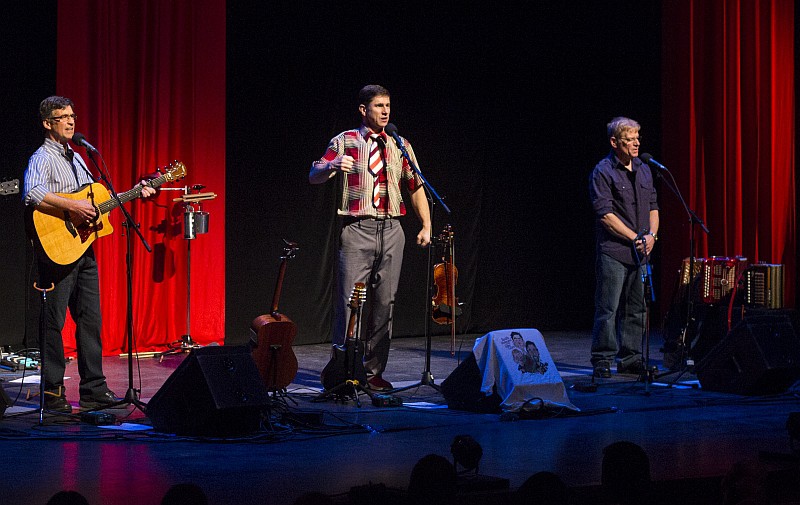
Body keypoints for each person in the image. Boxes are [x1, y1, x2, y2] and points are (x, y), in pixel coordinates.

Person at [22, 96, 156, 413]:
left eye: (72, 116)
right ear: (47, 123)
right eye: (63, 117)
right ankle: (53, 394)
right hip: (56, 252)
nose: (71, 121)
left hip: (84, 250)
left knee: (90, 321)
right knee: (53, 323)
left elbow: (94, 203)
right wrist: (74, 206)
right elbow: (32, 192)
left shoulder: (79, 158)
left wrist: (135, 192)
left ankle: (94, 390)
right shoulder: (42, 157)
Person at [310, 85, 431, 391]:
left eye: (388, 105)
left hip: (392, 230)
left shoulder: (400, 144)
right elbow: (314, 174)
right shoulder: (345, 141)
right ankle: (344, 370)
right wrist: (331, 165)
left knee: (385, 304)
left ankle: (373, 371)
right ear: (364, 110)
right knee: (349, 304)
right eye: (379, 106)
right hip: (357, 229)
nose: (385, 111)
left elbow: (415, 185)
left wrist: (426, 225)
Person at [588, 117, 659, 379]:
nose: (636, 143)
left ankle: (631, 358)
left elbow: (653, 207)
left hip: (641, 253)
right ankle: (603, 359)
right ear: (614, 142)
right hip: (614, 252)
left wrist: (652, 236)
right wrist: (635, 238)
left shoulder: (644, 169)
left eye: (637, 138)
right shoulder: (603, 172)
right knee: (608, 308)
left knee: (637, 309)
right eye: (630, 139)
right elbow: (605, 216)